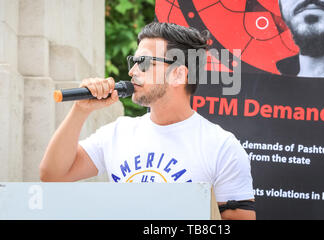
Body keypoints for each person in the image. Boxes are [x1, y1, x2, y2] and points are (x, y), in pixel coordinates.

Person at [40, 22, 256, 220]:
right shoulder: (118, 132)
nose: (132, 71)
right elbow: (53, 175)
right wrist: (80, 110)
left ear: (179, 75)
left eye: (143, 62)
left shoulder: (221, 146)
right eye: (133, 62)